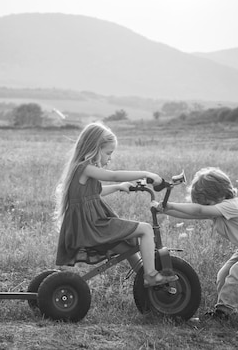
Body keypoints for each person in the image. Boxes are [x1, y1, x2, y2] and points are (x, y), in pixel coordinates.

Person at [54, 122, 178, 287]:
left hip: (92, 225)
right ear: (95, 148)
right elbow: (113, 175)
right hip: (93, 226)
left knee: (126, 246)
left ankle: (145, 280)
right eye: (108, 153)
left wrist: (119, 187)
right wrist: (147, 174)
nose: (110, 158)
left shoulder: (82, 170)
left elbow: (93, 193)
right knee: (146, 229)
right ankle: (150, 275)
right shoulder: (84, 168)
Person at [154, 167, 238, 318]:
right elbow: (193, 215)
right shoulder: (218, 209)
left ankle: (225, 312)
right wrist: (164, 210)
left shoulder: (230, 206)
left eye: (207, 203)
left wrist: (170, 205)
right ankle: (225, 309)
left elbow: (199, 211)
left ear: (218, 195)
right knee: (224, 274)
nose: (205, 207)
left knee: (237, 273)